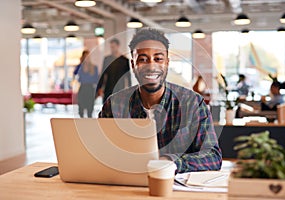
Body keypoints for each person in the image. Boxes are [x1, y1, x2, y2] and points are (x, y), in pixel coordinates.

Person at [98, 28, 222, 173]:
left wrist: (170, 162)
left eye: (158, 59)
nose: (151, 66)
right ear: (133, 65)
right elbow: (98, 150)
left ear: (167, 63)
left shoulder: (192, 103)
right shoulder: (114, 105)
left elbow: (213, 157)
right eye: (143, 59)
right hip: (125, 186)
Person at [96, 38, 131, 103]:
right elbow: (103, 74)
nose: (112, 49)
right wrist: (99, 88)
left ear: (118, 46)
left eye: (113, 47)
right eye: (111, 47)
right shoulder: (107, 59)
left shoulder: (124, 60)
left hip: (120, 88)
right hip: (108, 88)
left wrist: (130, 90)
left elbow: (128, 76)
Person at [74, 50, 99, 118]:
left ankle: (89, 125)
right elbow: (75, 73)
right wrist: (81, 63)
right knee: (81, 109)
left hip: (90, 89)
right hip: (82, 88)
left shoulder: (94, 67)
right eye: (85, 56)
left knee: (90, 109)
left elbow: (96, 79)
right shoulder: (80, 67)